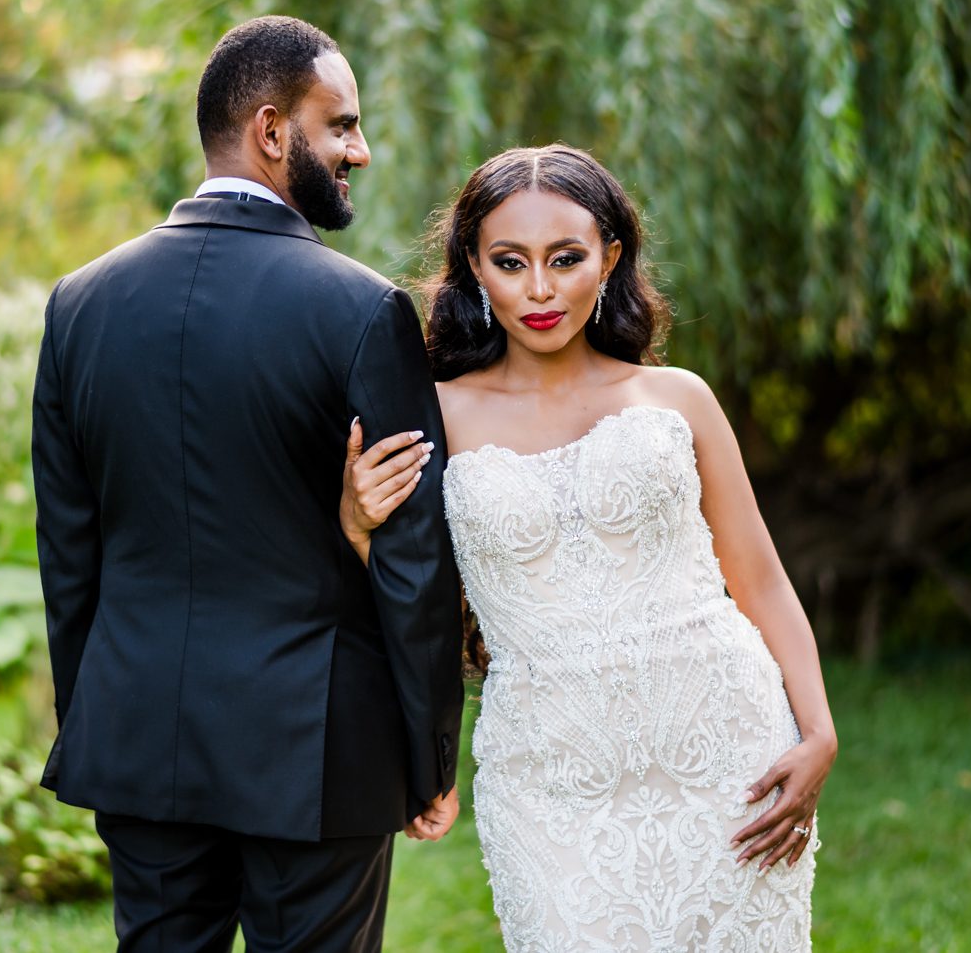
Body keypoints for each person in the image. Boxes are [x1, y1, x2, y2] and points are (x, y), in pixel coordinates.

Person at [31, 15, 465, 953]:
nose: (361, 149)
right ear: (272, 130)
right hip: (316, 744)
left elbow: (69, 554)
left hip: (139, 734)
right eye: (341, 124)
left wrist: (98, 717)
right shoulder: (362, 310)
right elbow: (413, 554)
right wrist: (431, 750)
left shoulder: (79, 304)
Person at [343, 144, 837, 950]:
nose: (539, 289)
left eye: (565, 258)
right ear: (474, 266)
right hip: (549, 775)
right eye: (511, 261)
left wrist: (817, 731)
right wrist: (358, 526)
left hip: (726, 753)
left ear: (609, 257)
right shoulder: (432, 414)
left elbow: (761, 580)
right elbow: (416, 601)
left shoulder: (678, 398)